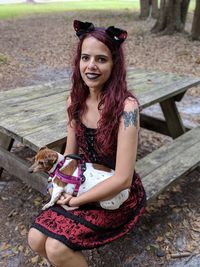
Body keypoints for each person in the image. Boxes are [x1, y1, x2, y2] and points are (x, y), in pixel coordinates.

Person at [28, 20, 146, 267]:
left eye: (101, 59)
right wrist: (59, 187)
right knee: (35, 239)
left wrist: (75, 201)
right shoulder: (75, 99)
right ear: (78, 61)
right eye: (85, 58)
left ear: (114, 64)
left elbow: (123, 179)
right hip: (82, 181)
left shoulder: (127, 108)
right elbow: (70, 156)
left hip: (116, 194)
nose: (91, 66)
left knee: (57, 248)